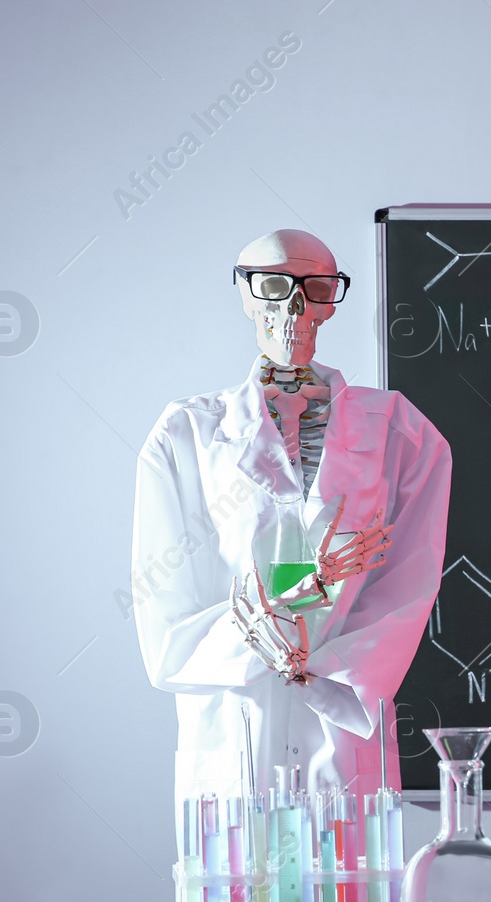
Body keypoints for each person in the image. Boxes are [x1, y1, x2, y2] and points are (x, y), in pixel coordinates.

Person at [131, 229, 450, 860]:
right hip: (233, 726)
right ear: (246, 298)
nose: (294, 308)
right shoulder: (186, 435)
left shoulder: (400, 432)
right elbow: (164, 618)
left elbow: (408, 589)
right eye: (273, 288)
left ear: (333, 301)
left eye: (316, 289)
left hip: (342, 726)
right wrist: (268, 627)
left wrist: (322, 669)